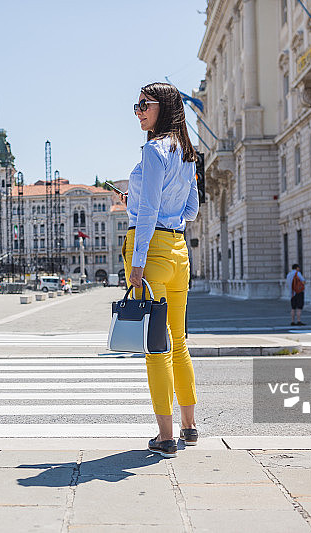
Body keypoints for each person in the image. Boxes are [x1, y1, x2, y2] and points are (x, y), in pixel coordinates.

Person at [117, 82, 200, 458]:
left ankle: (164, 436)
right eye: (135, 106)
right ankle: (189, 426)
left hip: (149, 252)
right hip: (178, 250)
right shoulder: (186, 152)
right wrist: (165, 219)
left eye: (143, 105)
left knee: (156, 347)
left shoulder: (153, 151)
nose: (137, 111)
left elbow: (148, 211)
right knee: (179, 341)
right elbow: (191, 210)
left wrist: (137, 264)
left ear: (163, 107)